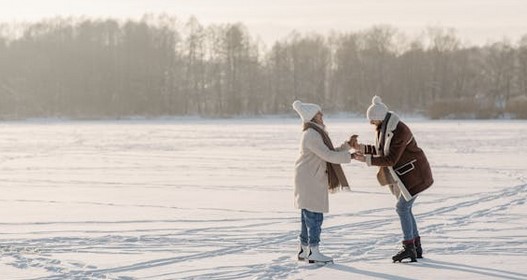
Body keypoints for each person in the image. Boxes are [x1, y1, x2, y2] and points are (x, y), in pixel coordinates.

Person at [352, 96, 433, 263]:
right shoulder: (385, 128)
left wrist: (366, 160)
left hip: (415, 176)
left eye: (372, 120)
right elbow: (381, 150)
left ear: (380, 117)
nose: (371, 123)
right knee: (406, 209)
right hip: (405, 176)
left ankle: (409, 247)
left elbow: (390, 159)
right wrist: (362, 148)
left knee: (402, 208)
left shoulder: (400, 131)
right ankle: (416, 247)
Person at [292, 100, 356, 264]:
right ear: (313, 117)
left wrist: (347, 146)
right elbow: (328, 156)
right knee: (314, 216)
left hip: (309, 178)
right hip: (310, 180)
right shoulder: (312, 135)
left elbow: (330, 152)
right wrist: (352, 156)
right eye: (319, 114)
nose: (322, 116)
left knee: (307, 216)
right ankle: (313, 252)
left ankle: (304, 250)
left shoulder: (315, 133)